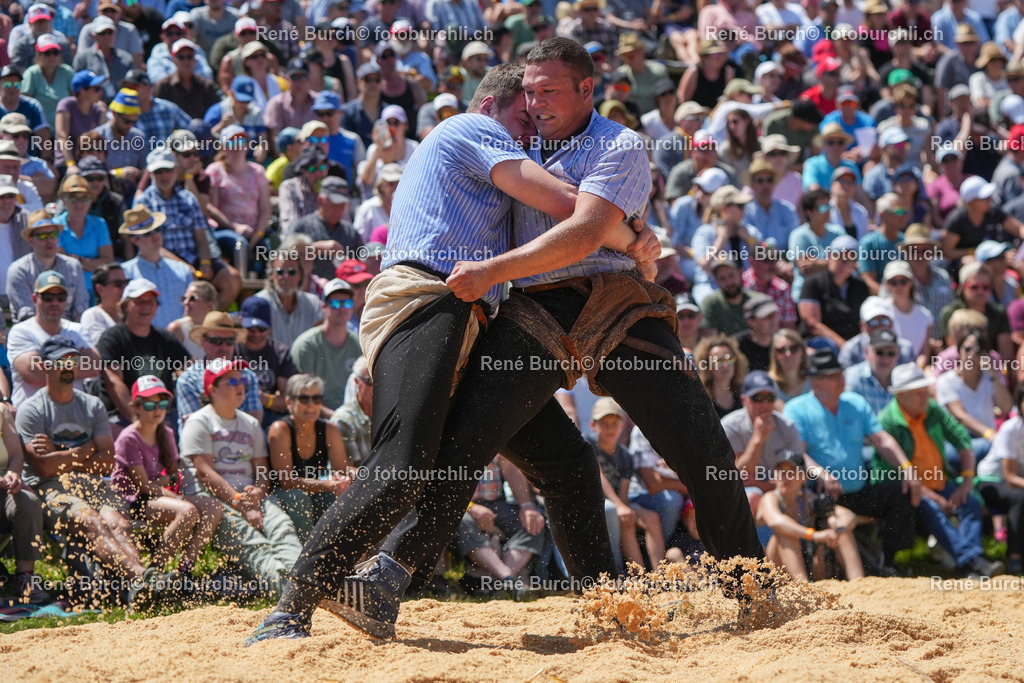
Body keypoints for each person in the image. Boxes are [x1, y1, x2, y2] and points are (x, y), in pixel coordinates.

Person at [246, 53, 667, 642]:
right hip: (431, 295)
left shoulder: (491, 158)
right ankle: (290, 607)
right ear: (491, 106)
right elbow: (573, 209)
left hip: (468, 314)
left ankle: (608, 614)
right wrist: (635, 239)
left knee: (569, 464)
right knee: (402, 464)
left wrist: (617, 225)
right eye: (525, 119)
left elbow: (573, 217)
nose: (533, 132)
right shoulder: (469, 128)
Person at [18, 336, 172, 604]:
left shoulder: (92, 405)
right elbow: (43, 467)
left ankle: (140, 585)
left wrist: (59, 450)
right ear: (44, 366)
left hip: (92, 482)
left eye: (73, 360)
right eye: (61, 361)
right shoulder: (31, 410)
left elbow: (106, 462)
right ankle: (142, 578)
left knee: (117, 521)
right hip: (50, 486)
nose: (69, 366)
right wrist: (86, 447)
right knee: (90, 519)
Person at [784, 348, 921, 576]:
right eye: (834, 376)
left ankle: (891, 559)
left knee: (901, 489)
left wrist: (907, 468)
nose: (842, 379)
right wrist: (822, 474)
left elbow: (882, 439)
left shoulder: (855, 403)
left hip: (859, 491)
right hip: (822, 496)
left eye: (840, 373)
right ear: (817, 383)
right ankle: (869, 570)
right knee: (830, 512)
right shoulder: (796, 409)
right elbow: (798, 454)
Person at [181, 358, 303, 598]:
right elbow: (205, 473)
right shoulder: (198, 421)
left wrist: (258, 492)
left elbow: (261, 469)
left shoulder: (250, 423)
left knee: (282, 529)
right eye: (232, 380)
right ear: (212, 389)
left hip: (250, 497)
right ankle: (290, 593)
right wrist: (239, 501)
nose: (241, 386)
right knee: (252, 543)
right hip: (215, 499)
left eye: (243, 380)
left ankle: (302, 582)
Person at [881, 363, 1006, 581]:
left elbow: (962, 441)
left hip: (939, 482)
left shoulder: (931, 408)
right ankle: (973, 562)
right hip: (907, 488)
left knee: (970, 502)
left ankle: (970, 563)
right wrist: (936, 497)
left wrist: (966, 482)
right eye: (919, 393)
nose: (925, 396)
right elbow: (893, 473)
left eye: (925, 391)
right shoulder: (887, 421)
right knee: (933, 509)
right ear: (900, 395)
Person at [112, 375, 223, 577]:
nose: (157, 409)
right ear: (136, 407)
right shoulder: (129, 438)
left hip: (160, 495)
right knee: (188, 511)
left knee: (213, 507)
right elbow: (144, 487)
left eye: (162, 403)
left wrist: (169, 486)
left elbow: (173, 475)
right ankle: (155, 572)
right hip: (134, 501)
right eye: (150, 405)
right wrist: (175, 494)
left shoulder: (167, 433)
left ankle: (184, 571)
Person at [755, 452, 864, 582]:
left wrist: (838, 530)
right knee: (784, 533)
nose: (786, 477)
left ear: (803, 478)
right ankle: (804, 588)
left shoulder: (807, 498)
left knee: (836, 524)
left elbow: (848, 516)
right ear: (774, 476)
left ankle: (858, 581)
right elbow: (776, 522)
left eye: (792, 472)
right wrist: (813, 535)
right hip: (771, 570)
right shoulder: (769, 498)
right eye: (781, 472)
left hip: (806, 564)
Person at [97, 278, 191, 428]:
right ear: (126, 305)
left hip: (162, 413)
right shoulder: (112, 338)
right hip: (123, 416)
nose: (145, 307)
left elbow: (190, 370)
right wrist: (137, 422)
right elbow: (113, 382)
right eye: (139, 302)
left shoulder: (164, 337)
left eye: (150, 302)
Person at [268, 373, 350, 543]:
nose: (311, 405)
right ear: (289, 402)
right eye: (304, 399)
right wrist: (327, 485)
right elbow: (286, 481)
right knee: (298, 498)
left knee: (338, 495)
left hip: (316, 490)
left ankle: (336, 556)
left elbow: (341, 471)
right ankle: (305, 559)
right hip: (282, 495)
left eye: (317, 398)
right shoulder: (280, 429)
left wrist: (350, 478)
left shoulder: (330, 429)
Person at [589, 398, 665, 570]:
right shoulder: (588, 445)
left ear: (622, 426)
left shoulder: (625, 456)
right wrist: (620, 506)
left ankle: (657, 576)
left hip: (615, 502)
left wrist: (624, 508)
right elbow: (598, 476)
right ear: (593, 425)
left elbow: (624, 490)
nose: (610, 428)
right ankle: (620, 572)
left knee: (648, 518)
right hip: (592, 502)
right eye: (605, 423)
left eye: (615, 423)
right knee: (615, 512)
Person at [7, 270, 100, 407]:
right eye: (48, 297)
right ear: (34, 299)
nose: (54, 302)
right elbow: (32, 374)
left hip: (74, 414)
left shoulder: (77, 330)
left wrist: (47, 365)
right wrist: (77, 361)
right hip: (34, 416)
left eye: (60, 297)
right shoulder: (21, 331)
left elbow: (94, 366)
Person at [722, 371, 805, 515]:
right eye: (758, 398)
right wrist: (758, 439)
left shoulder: (788, 426)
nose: (765, 403)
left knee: (809, 498)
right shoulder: (730, 426)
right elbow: (735, 478)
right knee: (752, 496)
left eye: (770, 397)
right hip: (749, 493)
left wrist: (761, 484)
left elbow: (797, 476)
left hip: (782, 488)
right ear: (744, 400)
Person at [935, 328, 1012, 466]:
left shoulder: (991, 378)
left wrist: (993, 374)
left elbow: (1006, 407)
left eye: (977, 351)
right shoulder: (946, 381)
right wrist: (990, 435)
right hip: (958, 444)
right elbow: (960, 416)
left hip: (989, 441)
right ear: (959, 350)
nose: (971, 355)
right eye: (968, 349)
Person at [175, 310, 262, 433]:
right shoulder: (188, 380)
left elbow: (255, 420)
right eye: (217, 341)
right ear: (203, 343)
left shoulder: (248, 375)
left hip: (243, 446)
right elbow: (194, 429)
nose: (224, 347)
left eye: (230, 341)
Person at [0, 398, 49, 602]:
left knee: (28, 501)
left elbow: (16, 455)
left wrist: (13, 475)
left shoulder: (2, 411)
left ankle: (25, 577)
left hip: (3, 488)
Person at [290, 279, 361, 414]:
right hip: (316, 416)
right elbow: (303, 396)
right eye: (335, 303)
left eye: (347, 303)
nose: (342, 308)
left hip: (351, 416)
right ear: (324, 307)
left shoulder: (358, 344)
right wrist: (337, 419)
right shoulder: (306, 345)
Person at [118, 205, 194, 331]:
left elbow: (193, 309)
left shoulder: (182, 270)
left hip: (179, 343)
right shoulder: (125, 272)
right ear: (135, 240)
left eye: (157, 229)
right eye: (147, 233)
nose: (155, 235)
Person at [7, 208, 89, 322]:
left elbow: (80, 311)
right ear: (31, 240)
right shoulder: (18, 270)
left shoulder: (73, 267)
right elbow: (26, 315)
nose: (49, 240)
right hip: (32, 334)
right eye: (42, 236)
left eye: (53, 234)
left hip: (69, 332)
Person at [977, 384, 1024, 575]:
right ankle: (1015, 559)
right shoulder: (1011, 428)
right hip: (989, 481)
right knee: (1019, 498)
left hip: (1016, 482)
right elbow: (1010, 477)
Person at [235, 295, 297, 428]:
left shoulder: (280, 352)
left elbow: (287, 400)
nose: (256, 334)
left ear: (270, 323)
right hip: (237, 411)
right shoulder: (232, 350)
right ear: (241, 321)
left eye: (262, 329)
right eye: (251, 329)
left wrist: (264, 400)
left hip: (270, 416)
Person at [799, 234, 870, 346]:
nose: (843, 263)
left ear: (855, 263)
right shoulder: (812, 283)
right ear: (829, 256)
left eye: (849, 259)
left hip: (853, 345)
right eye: (838, 256)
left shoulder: (861, 286)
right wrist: (844, 346)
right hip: (822, 347)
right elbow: (812, 324)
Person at [290, 176, 362, 281]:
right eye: (334, 205)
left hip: (343, 294)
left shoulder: (350, 232)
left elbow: (361, 261)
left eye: (342, 205)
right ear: (320, 201)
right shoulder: (302, 227)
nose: (338, 210)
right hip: (310, 291)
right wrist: (316, 248)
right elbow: (283, 256)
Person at [54, 174, 114, 296]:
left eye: (84, 198)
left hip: (96, 290)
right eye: (73, 198)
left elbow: (108, 261)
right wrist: (93, 263)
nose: (79, 204)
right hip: (66, 289)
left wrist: (78, 260)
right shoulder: (55, 225)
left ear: (91, 202)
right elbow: (60, 264)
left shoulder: (99, 223)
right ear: (64, 200)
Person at [255, 249, 324, 348]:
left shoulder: (313, 303)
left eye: (291, 272)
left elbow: (320, 343)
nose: (286, 276)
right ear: (272, 275)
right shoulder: (259, 303)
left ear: (300, 275)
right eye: (280, 272)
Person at [838, 296, 916, 369]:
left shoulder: (905, 349)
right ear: (862, 326)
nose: (880, 326)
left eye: (884, 321)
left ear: (892, 323)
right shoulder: (850, 350)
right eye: (873, 322)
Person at [880, 260, 934, 364]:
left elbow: (924, 353)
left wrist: (915, 370)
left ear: (911, 282)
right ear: (887, 284)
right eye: (893, 282)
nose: (898, 286)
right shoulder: (881, 313)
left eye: (903, 281)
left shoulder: (925, 316)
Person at [843, 329, 900, 414]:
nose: (885, 359)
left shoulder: (903, 378)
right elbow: (849, 416)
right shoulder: (853, 377)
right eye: (879, 352)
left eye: (891, 353)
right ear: (867, 352)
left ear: (898, 355)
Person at [330, 356, 373, 468]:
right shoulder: (343, 420)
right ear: (356, 382)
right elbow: (347, 471)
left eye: (382, 381)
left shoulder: (392, 414)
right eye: (370, 381)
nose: (377, 387)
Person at [695, 335, 748, 419]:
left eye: (729, 359)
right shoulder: (700, 399)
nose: (725, 365)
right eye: (718, 361)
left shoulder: (744, 395)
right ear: (707, 365)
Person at [699, 259, 754, 335]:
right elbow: (710, 341)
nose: (729, 282)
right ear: (716, 281)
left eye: (731, 275)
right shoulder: (710, 303)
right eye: (722, 278)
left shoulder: (756, 300)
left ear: (741, 273)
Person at [79, 262, 127, 346]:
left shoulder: (132, 314)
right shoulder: (92, 315)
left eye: (126, 283)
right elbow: (104, 348)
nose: (125, 288)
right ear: (100, 289)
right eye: (118, 284)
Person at [167, 280, 217, 359]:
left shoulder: (218, 330)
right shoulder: (177, 329)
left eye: (192, 298)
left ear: (208, 305)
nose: (186, 302)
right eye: (185, 298)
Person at [734, 293, 780, 372]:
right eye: (767, 316)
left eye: (774, 314)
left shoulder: (785, 345)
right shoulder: (736, 347)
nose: (773, 319)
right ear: (750, 321)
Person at [769, 328, 810, 403]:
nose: (788, 354)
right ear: (775, 356)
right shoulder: (768, 385)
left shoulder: (814, 381)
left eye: (793, 348)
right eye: (782, 350)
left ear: (803, 352)